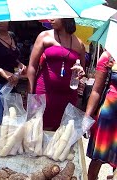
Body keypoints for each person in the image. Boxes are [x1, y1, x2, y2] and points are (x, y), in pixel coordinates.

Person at [27, 18, 85, 131]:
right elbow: (32, 66)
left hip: (68, 95)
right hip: (44, 92)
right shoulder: (44, 36)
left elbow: (83, 72)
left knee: (62, 132)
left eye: (56, 15)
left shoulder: (80, 44)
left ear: (66, 17)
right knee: (39, 130)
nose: (51, 19)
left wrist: (81, 72)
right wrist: (30, 94)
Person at [86, 51, 117, 180]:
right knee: (98, 157)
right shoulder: (109, 55)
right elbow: (96, 90)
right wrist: (86, 117)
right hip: (109, 114)